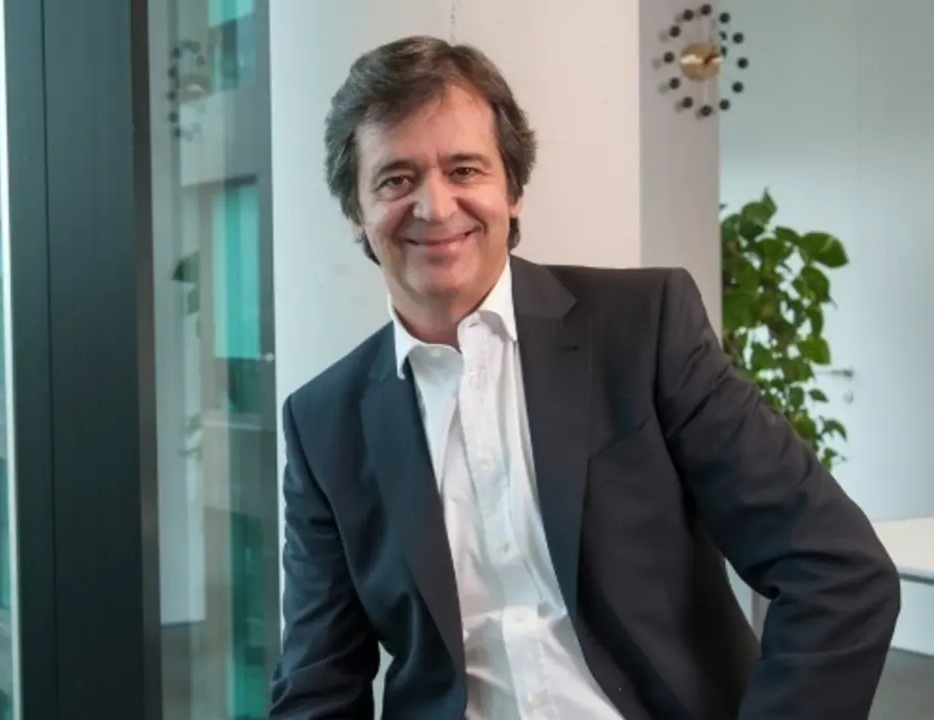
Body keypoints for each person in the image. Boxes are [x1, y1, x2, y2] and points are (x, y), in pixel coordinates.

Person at [269, 35, 900, 720]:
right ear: (356, 212)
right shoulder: (323, 423)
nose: (436, 206)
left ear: (513, 191)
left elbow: (836, 570)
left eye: (464, 170)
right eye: (396, 179)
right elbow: (318, 683)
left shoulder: (643, 330)